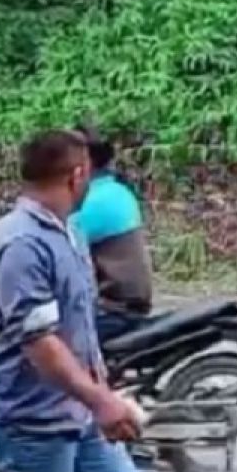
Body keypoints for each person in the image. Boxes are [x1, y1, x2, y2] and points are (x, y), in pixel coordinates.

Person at [0, 129, 144, 472]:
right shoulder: (22, 243)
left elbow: (79, 324)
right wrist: (101, 401)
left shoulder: (68, 231)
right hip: (28, 423)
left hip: (75, 412)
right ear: (77, 174)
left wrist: (101, 390)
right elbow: (40, 342)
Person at [71, 125, 154, 342]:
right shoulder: (116, 190)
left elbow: (57, 243)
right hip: (128, 304)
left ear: (84, 163)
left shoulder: (95, 200)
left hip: (113, 308)